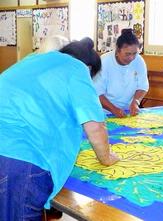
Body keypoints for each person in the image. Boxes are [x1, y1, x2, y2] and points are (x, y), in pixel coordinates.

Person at [0, 37, 119, 221]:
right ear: (88, 69)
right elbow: (94, 126)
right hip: (21, 160)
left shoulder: (33, 60)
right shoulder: (77, 68)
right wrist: (106, 158)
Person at [93, 29, 149, 117]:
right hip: (105, 112)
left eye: (135, 53)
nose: (131, 58)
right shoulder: (104, 62)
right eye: (127, 54)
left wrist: (135, 102)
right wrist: (113, 109)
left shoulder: (139, 60)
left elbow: (143, 86)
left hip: (129, 111)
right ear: (118, 50)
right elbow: (97, 93)